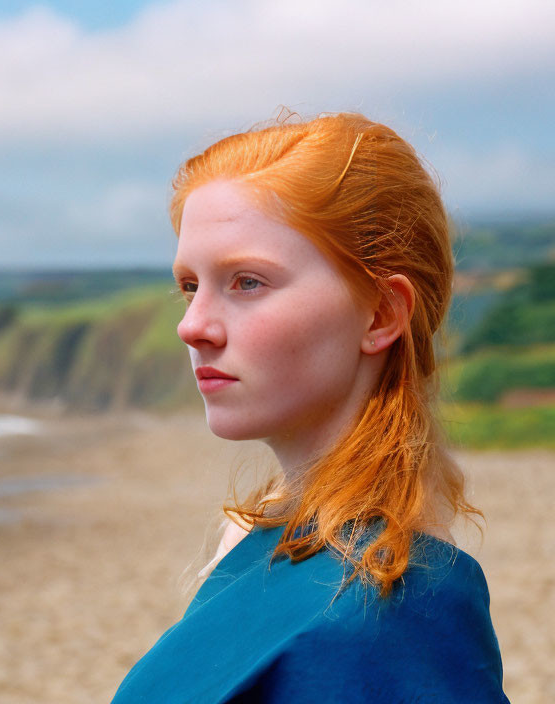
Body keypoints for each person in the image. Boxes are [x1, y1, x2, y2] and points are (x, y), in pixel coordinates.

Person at [111, 112, 509, 703]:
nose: (191, 327)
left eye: (247, 282)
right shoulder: (264, 546)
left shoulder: (399, 609)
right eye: (190, 286)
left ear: (380, 314)